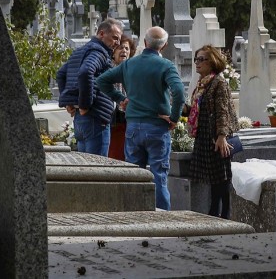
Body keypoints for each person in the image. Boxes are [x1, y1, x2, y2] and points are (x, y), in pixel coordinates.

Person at [97, 26, 185, 210]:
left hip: (134, 126)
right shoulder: (166, 66)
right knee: (159, 176)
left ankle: (134, 214)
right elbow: (178, 92)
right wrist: (175, 117)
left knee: (135, 176)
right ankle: (162, 220)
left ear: (145, 43)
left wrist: (121, 99)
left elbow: (102, 81)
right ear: (164, 45)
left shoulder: (129, 64)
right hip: (157, 126)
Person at [182, 44, 239, 219]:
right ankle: (214, 210)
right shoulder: (202, 83)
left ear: (212, 61)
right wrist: (178, 110)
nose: (197, 63)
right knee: (213, 176)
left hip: (216, 135)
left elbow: (223, 111)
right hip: (204, 133)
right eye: (196, 59)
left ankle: (225, 212)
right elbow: (197, 110)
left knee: (221, 175)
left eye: (201, 59)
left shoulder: (218, 82)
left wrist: (222, 136)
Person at [56, 18, 123, 156]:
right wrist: (85, 105)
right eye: (115, 38)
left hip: (81, 120)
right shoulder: (99, 52)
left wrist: (69, 102)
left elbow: (61, 74)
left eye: (119, 39)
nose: (117, 43)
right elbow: (86, 71)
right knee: (98, 169)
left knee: (86, 168)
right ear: (102, 34)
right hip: (95, 117)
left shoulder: (80, 51)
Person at [108, 34, 137, 161]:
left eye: (126, 48)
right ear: (113, 52)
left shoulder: (135, 70)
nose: (124, 51)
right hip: (114, 121)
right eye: (120, 48)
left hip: (131, 121)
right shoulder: (108, 69)